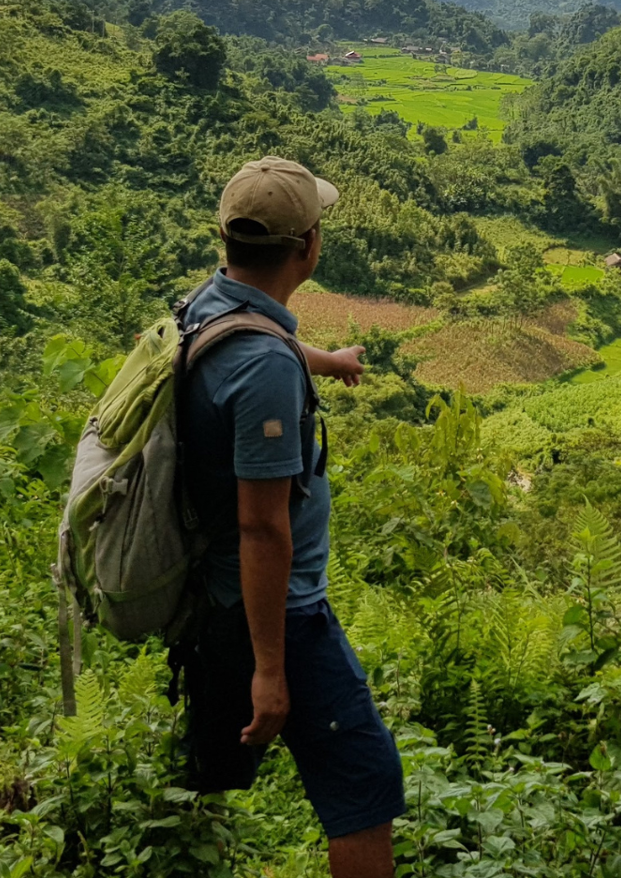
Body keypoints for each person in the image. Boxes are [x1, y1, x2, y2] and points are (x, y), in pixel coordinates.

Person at [181, 156, 403, 878]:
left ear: (228, 240)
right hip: (282, 614)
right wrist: (272, 667)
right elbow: (262, 527)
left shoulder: (204, 307)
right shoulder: (266, 369)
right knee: (364, 784)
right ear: (307, 246)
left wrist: (326, 359)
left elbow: (254, 335)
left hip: (217, 594)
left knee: (217, 768)